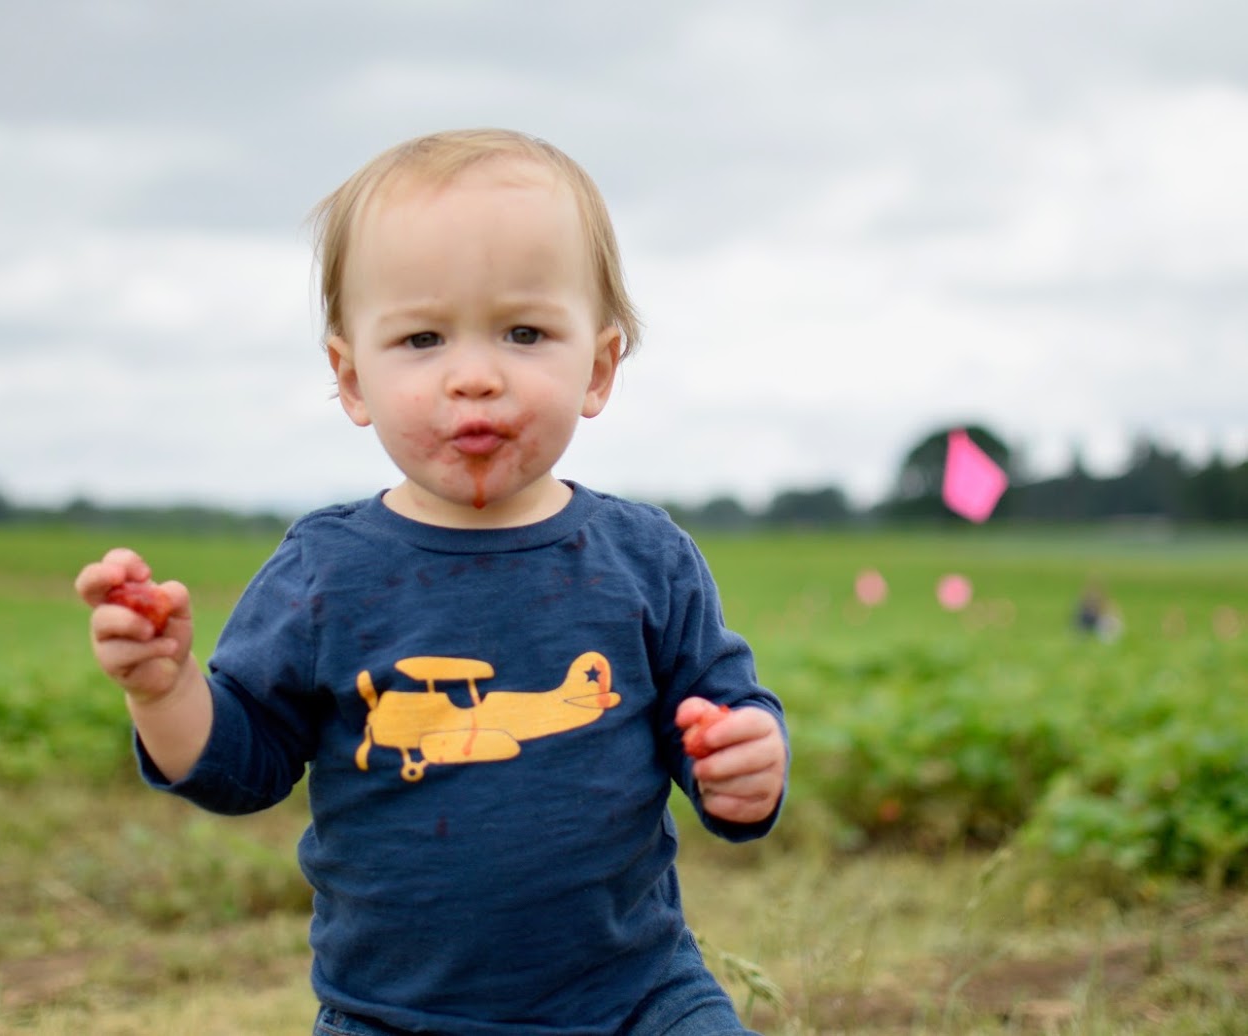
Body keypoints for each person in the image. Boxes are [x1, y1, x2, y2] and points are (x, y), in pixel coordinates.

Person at [76, 128, 789, 1036]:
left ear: (599, 368)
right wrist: (166, 689)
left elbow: (721, 713)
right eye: (420, 338)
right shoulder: (325, 571)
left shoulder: (645, 558)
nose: (475, 377)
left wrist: (745, 760)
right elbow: (239, 767)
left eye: (524, 332)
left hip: (634, 999)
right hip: (393, 1013)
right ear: (351, 378)